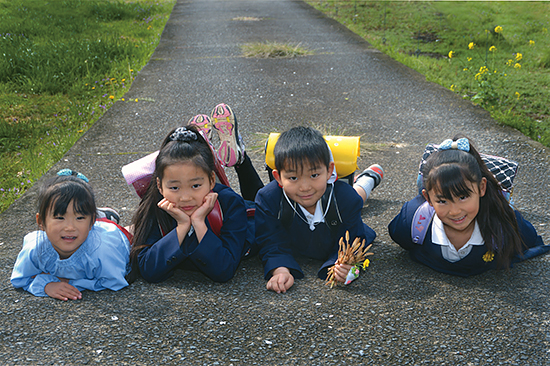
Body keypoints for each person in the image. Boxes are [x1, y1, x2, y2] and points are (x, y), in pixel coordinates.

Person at [129, 103, 263, 283]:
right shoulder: (156, 202)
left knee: (262, 201)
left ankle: (241, 159)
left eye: (195, 186)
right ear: (159, 186)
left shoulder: (230, 202)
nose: (185, 197)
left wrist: (199, 223)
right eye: (174, 187)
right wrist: (182, 226)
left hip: (252, 221)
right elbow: (148, 269)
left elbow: (224, 269)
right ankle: (207, 147)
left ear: (212, 181)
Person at [388, 136, 550, 276]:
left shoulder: (506, 223)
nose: (455, 211)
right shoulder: (410, 222)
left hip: (490, 202)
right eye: (443, 201)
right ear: (428, 199)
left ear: (481, 188)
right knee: (428, 182)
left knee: (501, 201)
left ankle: (497, 187)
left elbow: (531, 240)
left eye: (463, 197)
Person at [255, 126, 383, 293]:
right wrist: (280, 269)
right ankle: (363, 179)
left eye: (314, 175)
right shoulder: (268, 199)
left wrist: (344, 266)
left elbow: (353, 241)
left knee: (356, 195)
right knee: (343, 193)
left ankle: (369, 178)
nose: (305, 187)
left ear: (330, 170)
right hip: (326, 195)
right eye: (293, 178)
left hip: (338, 196)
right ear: (278, 177)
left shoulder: (347, 200)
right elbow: (270, 240)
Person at [11, 170, 132, 301]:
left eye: (79, 217)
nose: (70, 227)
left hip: (116, 234)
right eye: (59, 217)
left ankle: (104, 218)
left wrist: (68, 282)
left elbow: (115, 282)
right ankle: (98, 215)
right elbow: (20, 279)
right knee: (80, 224)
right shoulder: (35, 248)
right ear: (41, 222)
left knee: (135, 231)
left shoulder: (104, 251)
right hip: (88, 227)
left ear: (92, 221)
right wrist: (46, 285)